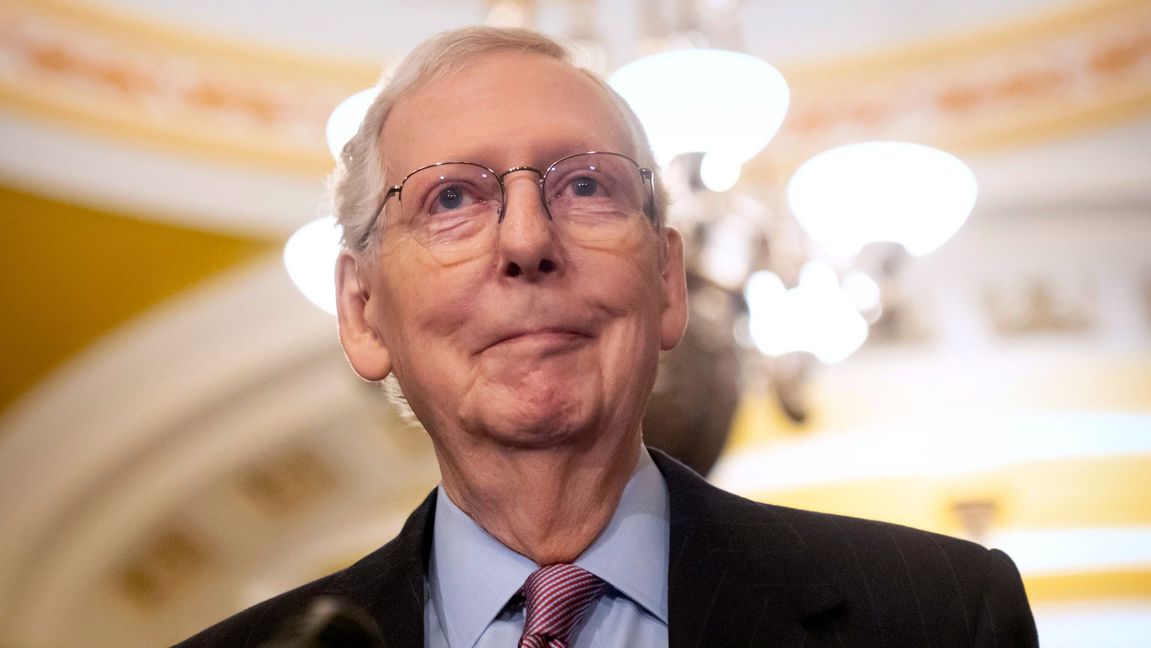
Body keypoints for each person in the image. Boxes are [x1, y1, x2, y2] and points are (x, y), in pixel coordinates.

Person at [176, 27, 1038, 647]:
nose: (525, 242)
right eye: (450, 199)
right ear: (363, 314)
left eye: (585, 185)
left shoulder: (941, 617)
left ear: (667, 283)